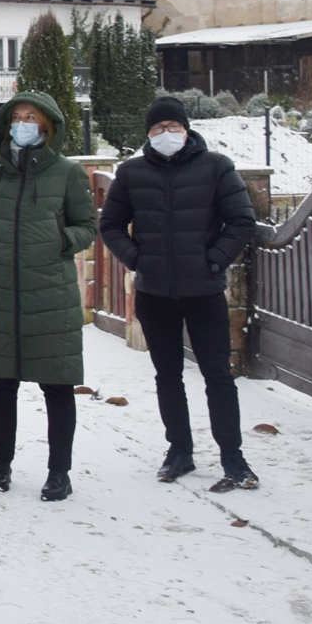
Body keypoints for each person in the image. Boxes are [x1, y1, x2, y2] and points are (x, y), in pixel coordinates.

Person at [98, 96, 261, 491]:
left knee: (218, 376)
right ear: (148, 134)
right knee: (167, 375)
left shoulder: (216, 167)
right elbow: (111, 225)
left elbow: (241, 221)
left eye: (173, 126)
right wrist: (136, 259)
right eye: (157, 129)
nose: (166, 134)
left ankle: (233, 458)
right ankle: (179, 451)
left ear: (187, 130)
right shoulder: (132, 173)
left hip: (203, 292)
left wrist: (213, 261)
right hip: (154, 293)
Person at [0, 91, 97, 501]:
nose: (23, 123)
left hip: (49, 293)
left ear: (48, 125)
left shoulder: (68, 173)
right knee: (0, 383)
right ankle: (2, 464)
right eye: (17, 116)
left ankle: (59, 472)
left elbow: (87, 226)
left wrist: (58, 240)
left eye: (31, 117)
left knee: (57, 384)